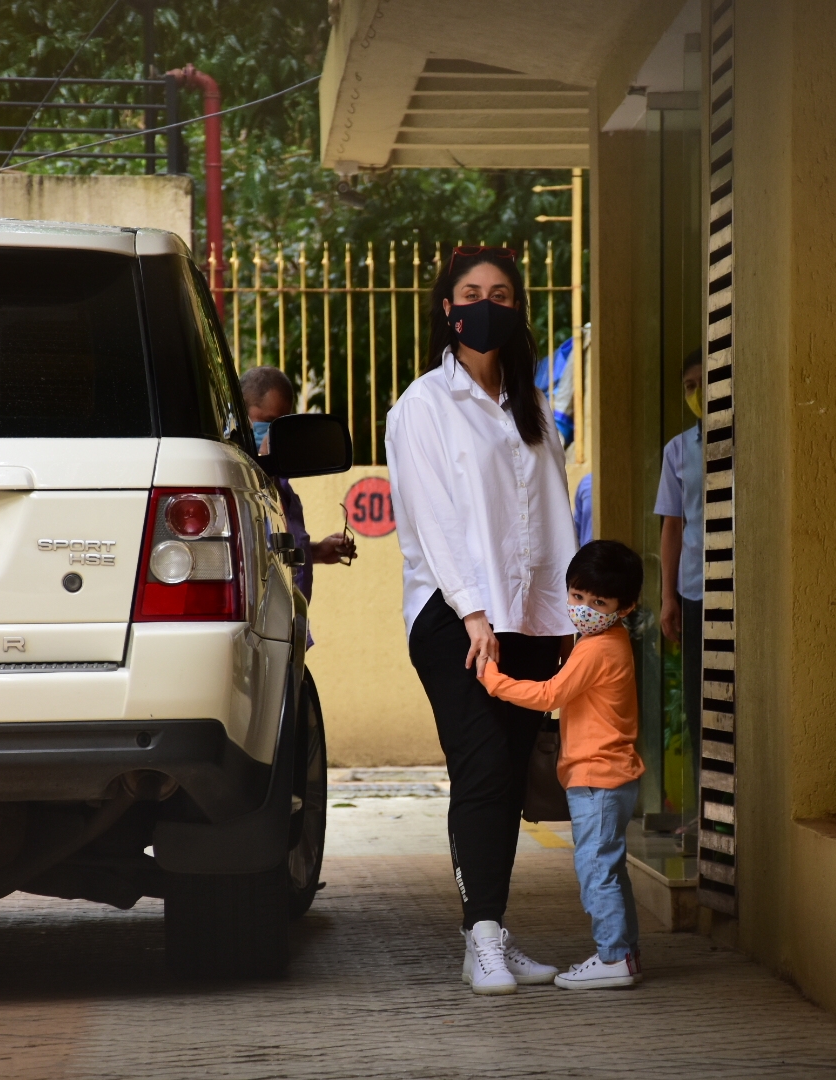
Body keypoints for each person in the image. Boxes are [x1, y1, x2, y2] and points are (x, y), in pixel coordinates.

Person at [385, 246, 577, 995]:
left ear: (517, 307)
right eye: (471, 292)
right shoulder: (423, 406)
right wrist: (472, 613)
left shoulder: (532, 410)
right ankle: (483, 936)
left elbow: (554, 520)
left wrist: (566, 621)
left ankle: (490, 930)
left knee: (506, 778)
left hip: (528, 619)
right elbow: (432, 521)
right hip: (452, 617)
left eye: (500, 292)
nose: (485, 303)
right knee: (484, 768)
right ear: (447, 307)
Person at [478, 540, 645, 990]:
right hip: (613, 777)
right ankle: (625, 954)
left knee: (596, 870)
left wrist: (494, 681)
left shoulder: (595, 649)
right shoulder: (610, 639)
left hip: (596, 778)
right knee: (611, 868)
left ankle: (612, 959)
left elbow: (548, 695)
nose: (583, 608)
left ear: (625, 607)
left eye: (598, 602)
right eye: (577, 596)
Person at [240, 366, 357, 618]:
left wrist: (317, 552)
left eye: (282, 424)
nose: (275, 433)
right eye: (268, 422)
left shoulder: (283, 489)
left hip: (292, 633)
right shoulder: (242, 488)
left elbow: (276, 554)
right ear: (240, 418)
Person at [656, 351, 704, 788]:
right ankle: (711, 811)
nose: (698, 393)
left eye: (705, 382)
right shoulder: (678, 449)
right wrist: (668, 597)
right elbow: (672, 527)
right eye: (690, 386)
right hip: (693, 593)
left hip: (745, 594)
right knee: (698, 703)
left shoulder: (754, 438)